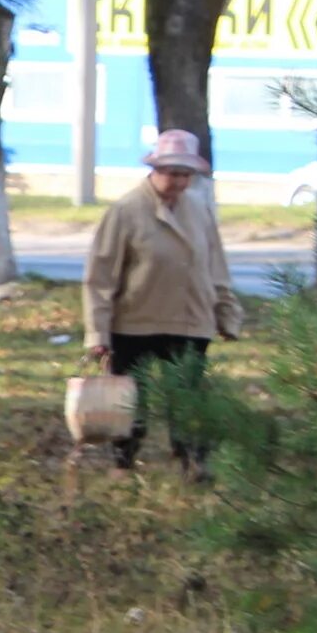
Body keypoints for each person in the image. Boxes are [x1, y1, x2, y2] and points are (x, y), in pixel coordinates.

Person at [84, 129, 244, 469]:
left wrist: (226, 313)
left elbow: (215, 265)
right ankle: (122, 462)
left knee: (187, 398)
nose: (179, 182)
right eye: (172, 173)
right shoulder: (126, 210)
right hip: (135, 322)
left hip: (191, 321)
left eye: (186, 175)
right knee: (130, 400)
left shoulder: (200, 209)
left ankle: (193, 464)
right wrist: (97, 334)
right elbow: (99, 278)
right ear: (154, 170)